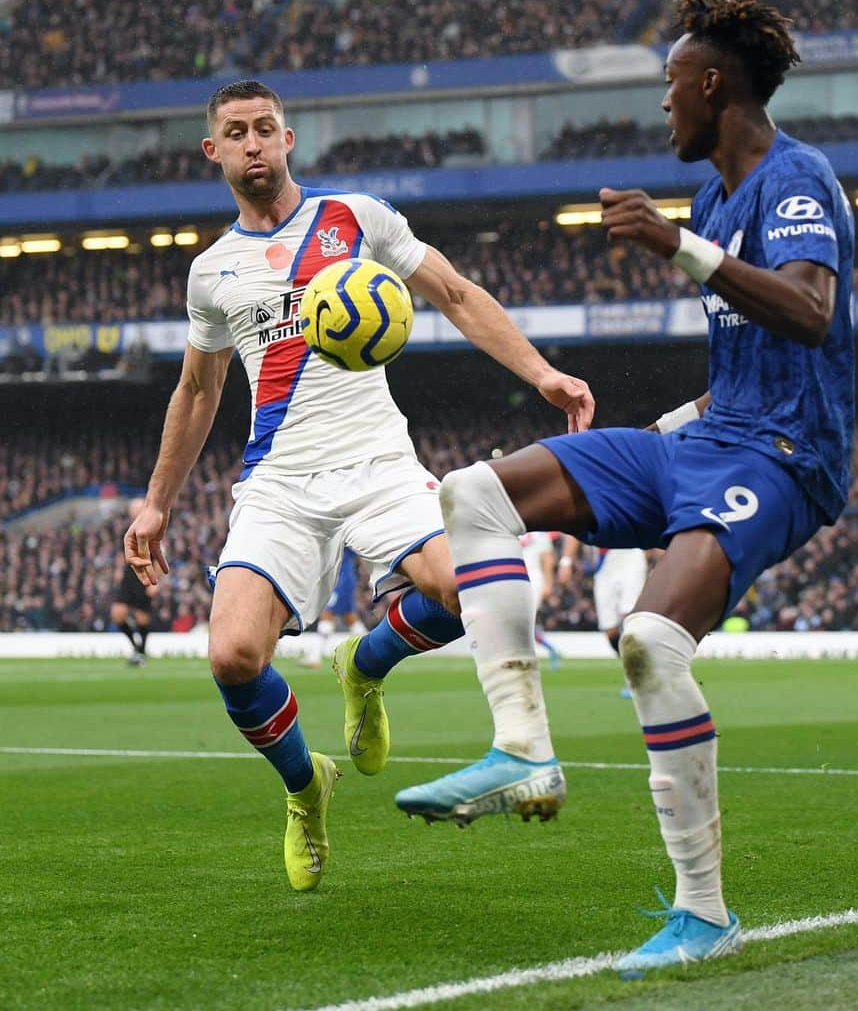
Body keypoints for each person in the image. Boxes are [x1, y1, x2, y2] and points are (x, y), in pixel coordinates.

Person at [397, 0, 855, 972]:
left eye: (668, 87)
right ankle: (523, 749)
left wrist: (677, 246)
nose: (663, 107)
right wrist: (666, 432)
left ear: (710, 82)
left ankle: (704, 913)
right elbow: (744, 365)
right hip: (709, 439)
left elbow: (812, 315)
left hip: (785, 462)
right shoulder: (719, 196)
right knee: (473, 492)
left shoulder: (797, 178)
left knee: (649, 639)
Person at [123, 79, 594, 893]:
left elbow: (451, 293)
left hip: (379, 465)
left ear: (288, 137)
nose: (253, 144)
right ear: (215, 151)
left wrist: (543, 373)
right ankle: (307, 790)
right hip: (279, 484)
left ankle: (365, 665)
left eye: (265, 128)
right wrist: (158, 500)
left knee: (466, 589)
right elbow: (198, 392)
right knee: (234, 656)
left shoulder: (357, 220)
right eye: (236, 133)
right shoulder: (213, 272)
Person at [560, 538, 650, 695]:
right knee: (610, 631)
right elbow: (574, 531)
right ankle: (632, 667)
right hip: (603, 565)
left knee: (630, 618)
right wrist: (566, 562)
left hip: (631, 554)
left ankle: (636, 677)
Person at [111, 497, 157, 666]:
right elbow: (121, 552)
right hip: (128, 574)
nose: (134, 512)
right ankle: (137, 648)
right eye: (132, 510)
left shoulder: (152, 528)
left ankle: (141, 653)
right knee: (118, 613)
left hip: (144, 574)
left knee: (141, 616)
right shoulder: (126, 528)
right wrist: (117, 569)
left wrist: (154, 582)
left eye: (137, 509)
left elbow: (160, 556)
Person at [305, 546, 367, 669]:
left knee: (327, 614)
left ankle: (314, 657)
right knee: (350, 617)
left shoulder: (343, 532)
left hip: (341, 579)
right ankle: (372, 650)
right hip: (343, 577)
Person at [519, 530, 560, 668]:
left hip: (533, 579)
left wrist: (548, 583)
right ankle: (551, 650)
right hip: (513, 578)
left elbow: (548, 557)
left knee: (526, 619)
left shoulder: (539, 532)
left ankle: (526, 658)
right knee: (520, 620)